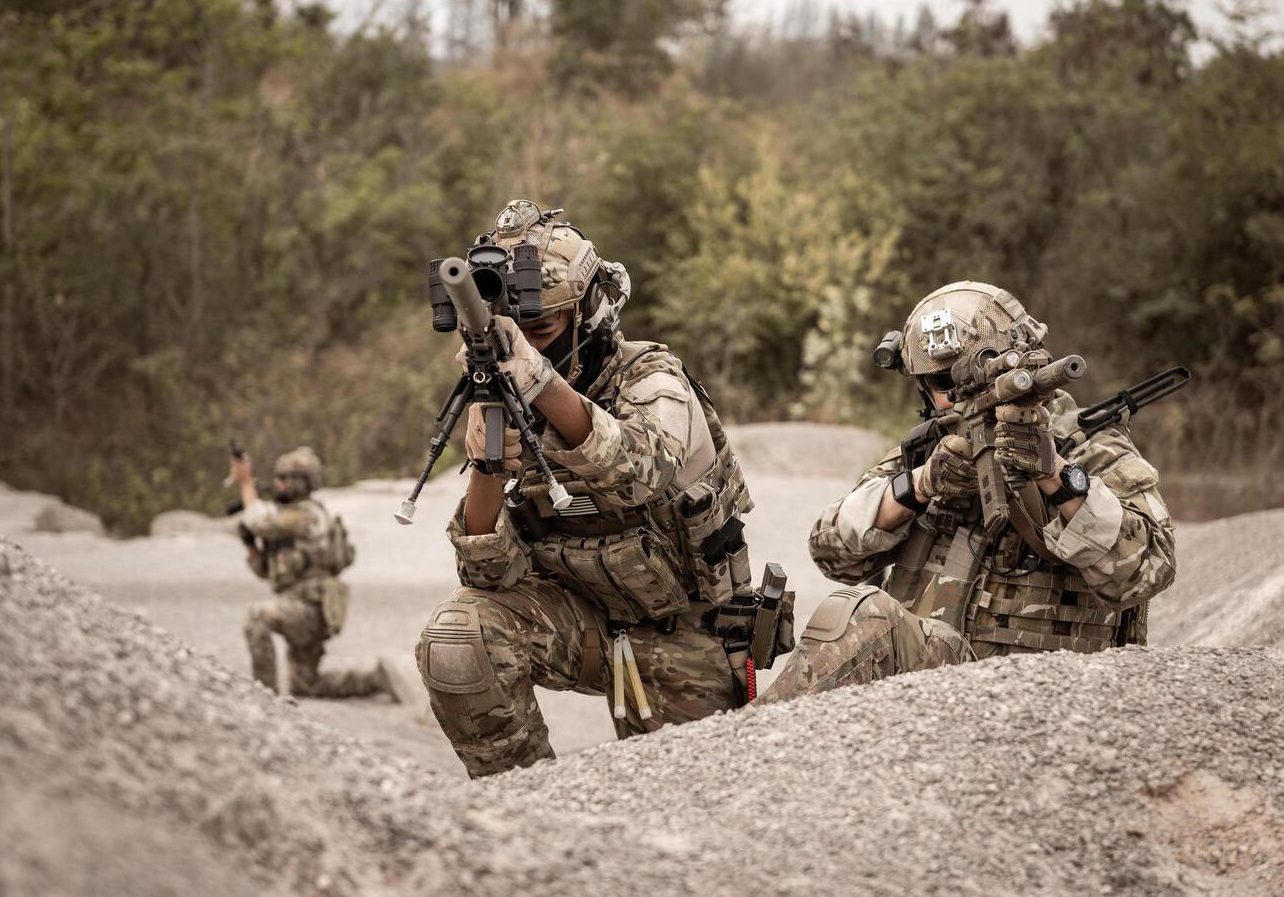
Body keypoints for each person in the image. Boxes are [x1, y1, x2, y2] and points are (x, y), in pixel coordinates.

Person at [415, 200, 788, 778]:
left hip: (683, 637)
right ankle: (522, 806)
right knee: (459, 636)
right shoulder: (505, 395)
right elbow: (490, 577)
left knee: (697, 805)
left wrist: (540, 386)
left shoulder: (653, 377)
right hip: (585, 628)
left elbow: (643, 471)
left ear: (589, 313)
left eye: (540, 327)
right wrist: (488, 463)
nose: (530, 346)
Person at [758, 281, 1177, 704]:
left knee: (869, 616)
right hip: (928, 694)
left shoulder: (1091, 447)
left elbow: (1148, 572)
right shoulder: (929, 451)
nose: (957, 396)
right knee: (857, 612)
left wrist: (1056, 477)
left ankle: (754, 741)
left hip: (1050, 696)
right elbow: (831, 551)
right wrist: (921, 485)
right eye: (942, 382)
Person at [230, 446, 401, 701]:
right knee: (305, 685)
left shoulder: (307, 514)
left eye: (284, 478)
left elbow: (258, 522)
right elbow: (266, 571)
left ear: (300, 482)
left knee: (256, 617)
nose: (277, 483)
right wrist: (249, 546)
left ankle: (264, 697)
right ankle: (373, 679)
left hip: (310, 608)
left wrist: (245, 483)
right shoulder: (291, 519)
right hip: (301, 605)